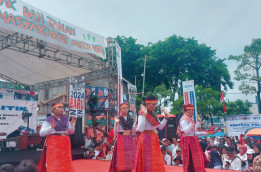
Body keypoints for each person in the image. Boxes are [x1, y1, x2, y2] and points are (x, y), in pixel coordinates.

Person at [38, 102, 76, 172]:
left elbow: (70, 132)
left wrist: (73, 124)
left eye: (62, 107)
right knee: (54, 160)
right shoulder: (48, 120)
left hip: (65, 142)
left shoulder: (66, 119)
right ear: (53, 110)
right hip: (54, 142)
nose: (62, 109)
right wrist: (51, 127)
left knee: (65, 159)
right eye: (59, 107)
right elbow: (41, 133)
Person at [135, 95, 169, 172]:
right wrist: (144, 115)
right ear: (147, 104)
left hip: (154, 138)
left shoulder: (153, 114)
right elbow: (140, 129)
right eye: (153, 104)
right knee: (147, 160)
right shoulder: (141, 114)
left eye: (155, 104)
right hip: (146, 139)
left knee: (154, 159)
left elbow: (160, 127)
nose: (155, 106)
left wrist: (166, 117)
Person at [109, 103, 136, 172]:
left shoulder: (131, 119)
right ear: (120, 110)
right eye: (123, 108)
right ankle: (122, 168)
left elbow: (132, 131)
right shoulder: (118, 119)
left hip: (129, 138)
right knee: (121, 154)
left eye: (126, 108)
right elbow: (116, 132)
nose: (125, 110)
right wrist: (116, 124)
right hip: (121, 137)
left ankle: (128, 168)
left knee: (129, 154)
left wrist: (135, 123)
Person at [179, 103, 206, 172]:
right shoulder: (183, 119)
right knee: (190, 157)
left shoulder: (189, 118)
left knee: (196, 157)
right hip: (187, 140)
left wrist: (199, 122)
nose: (192, 112)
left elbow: (193, 129)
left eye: (192, 110)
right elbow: (186, 131)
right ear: (186, 110)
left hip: (192, 139)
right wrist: (191, 123)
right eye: (190, 110)